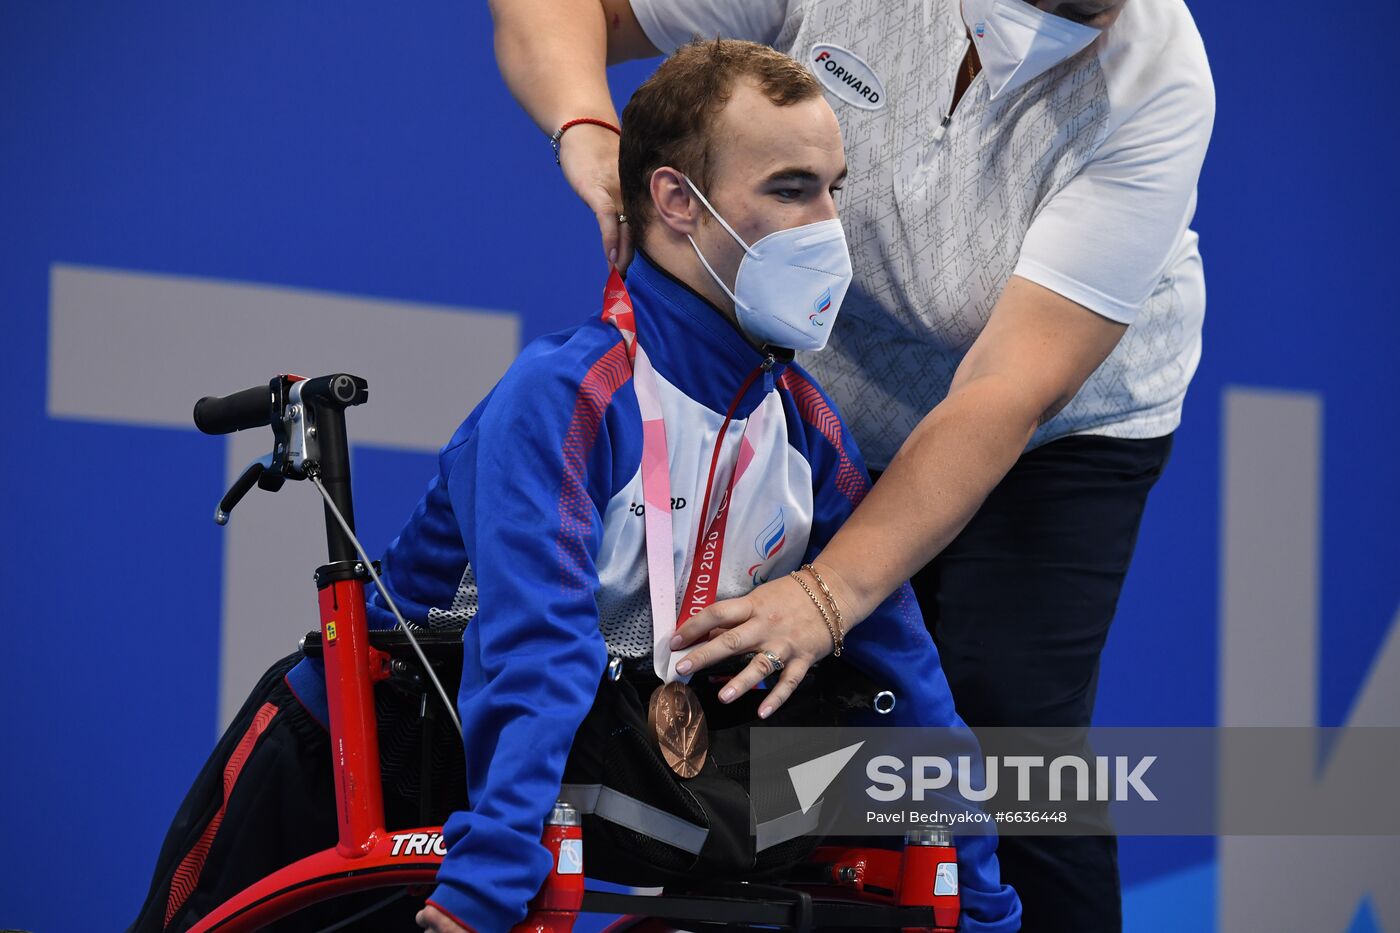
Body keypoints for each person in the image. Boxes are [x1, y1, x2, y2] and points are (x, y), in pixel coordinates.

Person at [132, 39, 1020, 933]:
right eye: (791, 189)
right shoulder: (568, 395)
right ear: (677, 200)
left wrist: (984, 897)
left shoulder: (805, 423)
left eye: (837, 188)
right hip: (365, 755)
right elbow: (539, 647)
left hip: (531, 774)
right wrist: (495, 866)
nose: (829, 226)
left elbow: (905, 672)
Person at [489, 0, 1213, 930]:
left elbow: (1002, 390)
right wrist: (588, 129)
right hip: (826, 391)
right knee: (771, 727)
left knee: (1006, 733)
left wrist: (830, 591)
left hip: (1053, 428)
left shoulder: (1159, 81)